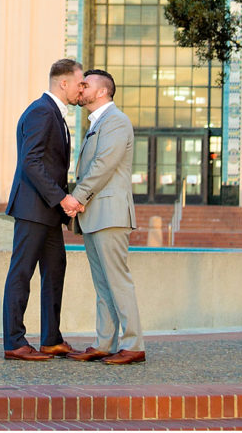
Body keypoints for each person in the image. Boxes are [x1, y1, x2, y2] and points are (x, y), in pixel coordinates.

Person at [2, 58, 84, 361]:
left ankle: (51, 339)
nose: (82, 89)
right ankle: (14, 342)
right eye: (80, 83)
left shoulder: (55, 115)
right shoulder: (41, 112)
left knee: (55, 271)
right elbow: (31, 162)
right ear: (64, 83)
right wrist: (62, 198)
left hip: (48, 211)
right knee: (21, 274)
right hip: (33, 207)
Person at [66, 69, 146, 365]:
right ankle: (104, 343)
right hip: (95, 215)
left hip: (110, 214)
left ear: (101, 91)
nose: (81, 88)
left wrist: (77, 197)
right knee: (103, 284)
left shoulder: (116, 121)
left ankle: (134, 344)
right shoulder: (97, 123)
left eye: (85, 84)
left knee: (118, 281)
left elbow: (103, 165)